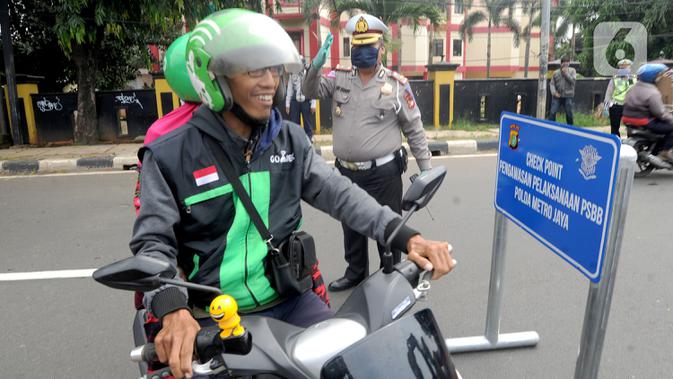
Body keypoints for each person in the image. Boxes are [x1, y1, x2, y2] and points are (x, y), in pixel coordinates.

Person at [130, 9, 456, 379]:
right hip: (210, 316)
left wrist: (406, 236)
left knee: (348, 367)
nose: (270, 82)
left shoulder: (289, 141)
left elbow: (343, 195)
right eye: (254, 70)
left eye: (273, 70)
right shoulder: (170, 156)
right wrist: (174, 310)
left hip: (290, 302)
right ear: (214, 77)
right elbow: (153, 244)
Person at [302, 14, 434, 292]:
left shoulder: (397, 85)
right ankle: (356, 272)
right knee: (350, 224)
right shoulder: (339, 78)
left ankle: (392, 273)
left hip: (383, 173)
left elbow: (414, 128)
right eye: (356, 45)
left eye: (368, 45)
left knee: (389, 226)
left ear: (381, 48)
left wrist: (427, 171)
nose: (361, 51)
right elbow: (308, 89)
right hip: (346, 170)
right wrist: (315, 65)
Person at [622, 63, 673, 162]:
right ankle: (665, 152)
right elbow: (660, 113)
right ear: (653, 77)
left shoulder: (632, 89)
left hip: (628, 121)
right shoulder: (652, 92)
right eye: (660, 75)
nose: (661, 77)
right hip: (644, 122)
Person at [285, 58, 317, 140]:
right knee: (294, 121)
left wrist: (313, 104)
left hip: (306, 99)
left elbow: (312, 88)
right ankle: (296, 139)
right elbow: (289, 89)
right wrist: (287, 104)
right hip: (295, 100)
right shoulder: (293, 73)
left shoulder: (308, 73)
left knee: (307, 121)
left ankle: (309, 137)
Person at [603, 59, 636, 137]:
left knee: (630, 127)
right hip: (616, 105)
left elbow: (634, 90)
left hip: (629, 105)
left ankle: (630, 143)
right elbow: (609, 93)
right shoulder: (615, 78)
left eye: (626, 68)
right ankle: (616, 144)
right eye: (622, 68)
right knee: (614, 128)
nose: (624, 70)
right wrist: (606, 107)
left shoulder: (632, 78)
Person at [548, 56, 576, 125]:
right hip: (557, 96)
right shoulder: (555, 73)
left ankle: (570, 128)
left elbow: (573, 81)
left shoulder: (572, 71)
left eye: (567, 64)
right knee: (552, 112)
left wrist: (566, 73)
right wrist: (554, 93)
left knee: (569, 112)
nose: (566, 65)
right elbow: (552, 84)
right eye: (564, 64)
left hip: (568, 96)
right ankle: (551, 127)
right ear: (561, 64)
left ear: (569, 64)